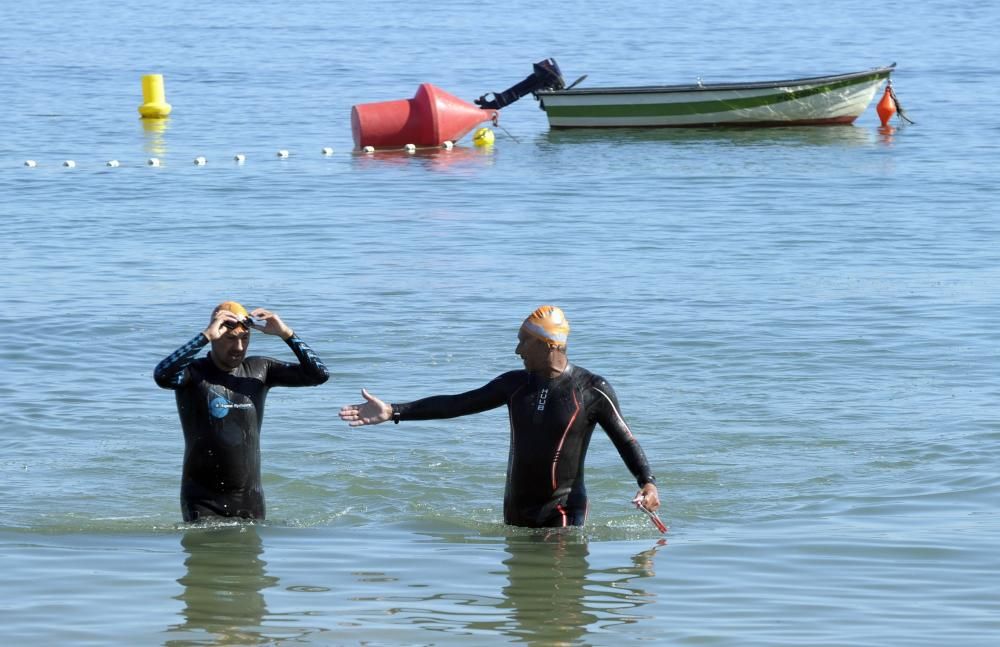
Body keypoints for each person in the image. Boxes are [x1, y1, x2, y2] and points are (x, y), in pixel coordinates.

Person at [339, 305, 660, 528]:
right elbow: (458, 403)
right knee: (521, 609)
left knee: (561, 595)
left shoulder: (591, 389)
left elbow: (625, 439)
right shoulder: (514, 385)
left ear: (549, 345)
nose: (518, 350)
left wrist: (647, 483)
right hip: (515, 511)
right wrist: (394, 411)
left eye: (524, 341)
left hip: (563, 511)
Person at [154, 301, 329, 522]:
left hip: (250, 500)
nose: (238, 347)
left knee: (249, 557)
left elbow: (319, 374)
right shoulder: (192, 373)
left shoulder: (260, 369)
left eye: (244, 338)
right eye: (230, 338)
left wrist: (286, 334)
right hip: (202, 502)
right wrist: (204, 336)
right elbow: (162, 375)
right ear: (215, 336)